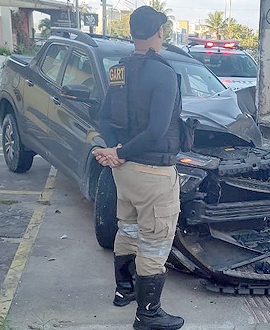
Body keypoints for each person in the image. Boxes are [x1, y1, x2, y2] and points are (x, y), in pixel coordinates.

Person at [92, 5, 184, 330]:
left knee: (127, 229)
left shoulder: (119, 69)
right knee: (155, 241)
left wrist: (116, 151)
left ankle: (124, 290)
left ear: (133, 35)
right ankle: (148, 314)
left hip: (125, 173)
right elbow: (158, 130)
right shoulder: (164, 73)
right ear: (159, 33)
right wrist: (123, 152)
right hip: (153, 174)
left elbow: (104, 117)